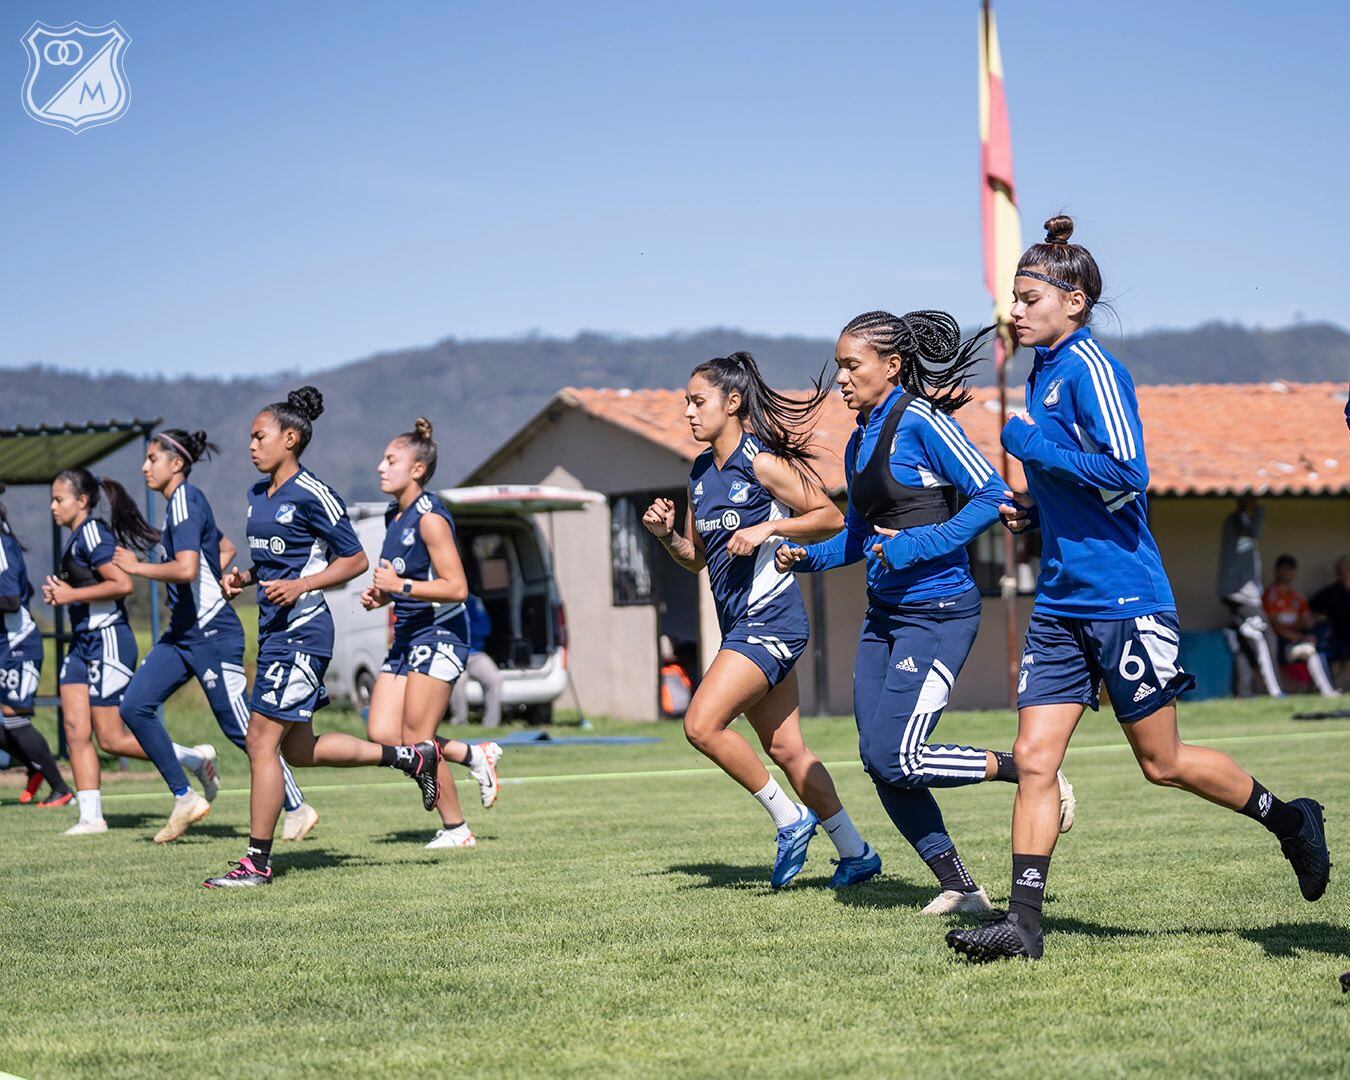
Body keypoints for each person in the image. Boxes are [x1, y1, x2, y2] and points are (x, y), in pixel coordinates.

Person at [946, 217, 1330, 963]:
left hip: (1123, 598)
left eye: (1028, 298)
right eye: (1013, 299)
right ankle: (1023, 926)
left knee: (1162, 763)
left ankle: (1292, 822)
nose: (1015, 311)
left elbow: (1128, 474)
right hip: (1060, 603)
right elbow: (1080, 487)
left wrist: (1032, 447)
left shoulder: (1093, 369)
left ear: (1075, 303)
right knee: (1034, 758)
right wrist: (1035, 509)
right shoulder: (1042, 372)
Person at [778, 310, 1074, 915]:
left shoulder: (922, 420)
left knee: (899, 755)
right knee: (878, 759)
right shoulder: (859, 440)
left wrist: (918, 545)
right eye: (838, 366)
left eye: (851, 365)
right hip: (883, 619)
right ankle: (960, 887)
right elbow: (859, 536)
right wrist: (806, 558)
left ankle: (1027, 769)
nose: (840, 378)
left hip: (939, 613)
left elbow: (992, 495)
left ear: (891, 366)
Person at [643, 351, 876, 890]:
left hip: (771, 620)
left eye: (697, 402)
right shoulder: (699, 473)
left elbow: (830, 517)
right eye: (686, 403)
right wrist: (666, 536)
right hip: (742, 627)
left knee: (701, 725)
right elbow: (697, 559)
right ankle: (857, 852)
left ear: (732, 402)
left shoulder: (762, 463)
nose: (688, 412)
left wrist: (768, 529)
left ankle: (789, 818)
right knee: (787, 749)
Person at [205, 387, 441, 888]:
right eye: (251, 437)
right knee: (298, 750)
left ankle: (256, 863)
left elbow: (354, 559)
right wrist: (244, 578)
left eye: (259, 436)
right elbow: (278, 561)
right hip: (274, 631)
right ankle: (410, 757)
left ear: (290, 439)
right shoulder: (256, 495)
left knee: (259, 740)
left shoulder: (314, 492)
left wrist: (303, 585)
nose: (251, 445)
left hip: (303, 632)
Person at [112, 427, 318, 844]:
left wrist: (137, 568)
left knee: (242, 728)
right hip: (182, 634)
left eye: (152, 459)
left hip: (212, 633)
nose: (144, 467)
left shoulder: (185, 499)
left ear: (176, 464)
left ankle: (297, 807)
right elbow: (223, 547)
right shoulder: (179, 505)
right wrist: (216, 578)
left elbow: (187, 569)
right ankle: (185, 797)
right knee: (134, 706)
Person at [360, 418, 502, 850]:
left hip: (440, 634)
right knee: (384, 734)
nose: (381, 467)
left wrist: (398, 587)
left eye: (391, 460)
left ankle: (457, 830)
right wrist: (383, 597)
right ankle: (472, 754)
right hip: (407, 635)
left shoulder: (430, 518)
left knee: (418, 740)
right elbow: (411, 580)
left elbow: (456, 588)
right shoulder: (394, 515)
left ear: (417, 470)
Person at [45, 468, 211, 836]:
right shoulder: (75, 539)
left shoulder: (93, 533)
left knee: (111, 739)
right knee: (74, 729)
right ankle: (91, 818)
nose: (53, 506)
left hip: (107, 640)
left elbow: (122, 584)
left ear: (82, 501)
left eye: (59, 499)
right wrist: (62, 594)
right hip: (82, 644)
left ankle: (192, 758)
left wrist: (71, 594)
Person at [0, 486, 71, 807]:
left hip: (17, 644)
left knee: (14, 717)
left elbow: (11, 600)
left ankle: (61, 788)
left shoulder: (1, 543)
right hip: (4, 644)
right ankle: (35, 766)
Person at [1218, 495, 1283, 698]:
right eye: (1254, 501)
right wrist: (1259, 512)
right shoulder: (1238, 520)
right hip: (1241, 595)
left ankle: (1244, 693)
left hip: (1243, 595)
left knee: (1245, 643)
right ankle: (1276, 691)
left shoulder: (1241, 521)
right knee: (1265, 637)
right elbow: (1254, 532)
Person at [1262, 554, 1339, 698]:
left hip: (1297, 642)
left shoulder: (1297, 597)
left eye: (1290, 569)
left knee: (1318, 647)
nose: (1287, 572)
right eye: (1284, 568)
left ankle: (1326, 691)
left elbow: (1307, 621)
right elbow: (1275, 626)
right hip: (1278, 646)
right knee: (1311, 651)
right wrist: (1301, 636)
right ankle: (1327, 692)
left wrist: (1317, 619)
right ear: (1276, 570)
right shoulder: (1270, 595)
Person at [449, 594, 504, 729]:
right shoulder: (446, 599)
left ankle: (491, 724)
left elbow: (485, 628)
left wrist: (463, 626)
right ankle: (460, 722)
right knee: (457, 680)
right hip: (453, 654)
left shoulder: (474, 601)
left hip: (475, 654)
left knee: (495, 678)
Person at [1311, 557, 1350, 673]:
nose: (1346, 573)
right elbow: (1310, 611)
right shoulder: (1329, 593)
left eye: (1348, 569)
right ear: (1337, 574)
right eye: (1342, 570)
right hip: (1336, 640)